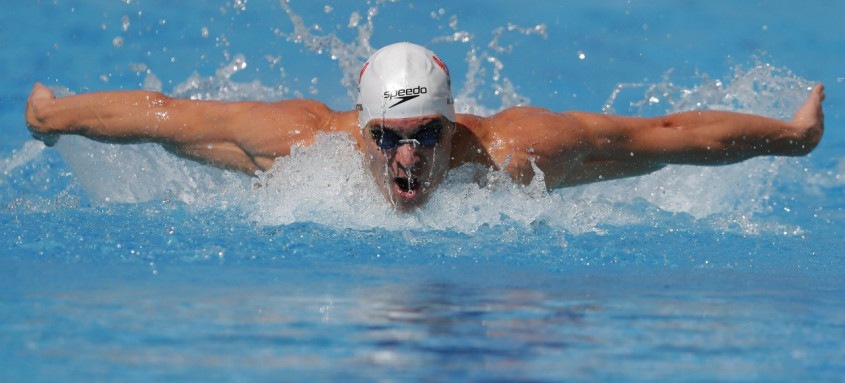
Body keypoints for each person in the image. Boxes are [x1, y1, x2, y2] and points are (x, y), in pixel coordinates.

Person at [25, 42, 825, 210]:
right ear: (362, 129)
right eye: (387, 137)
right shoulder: (302, 144)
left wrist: (792, 138)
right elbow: (166, 118)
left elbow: (665, 133)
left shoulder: (514, 150)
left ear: (452, 125)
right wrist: (53, 114)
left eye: (425, 136)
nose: (407, 157)